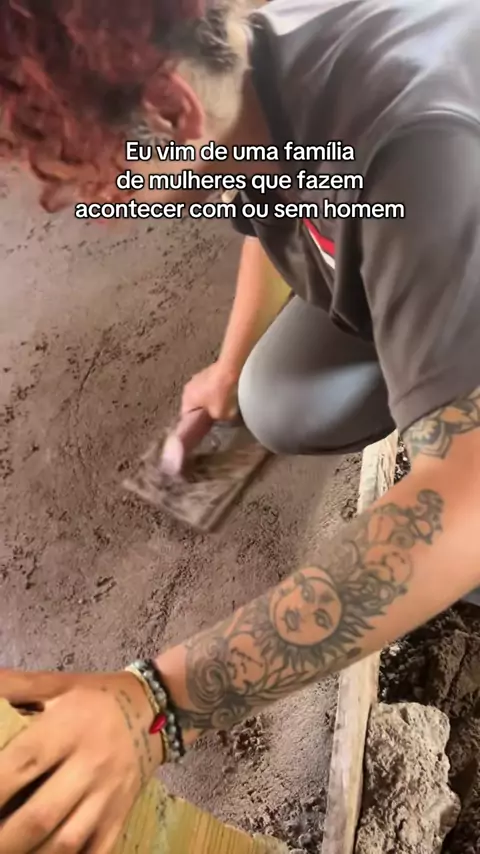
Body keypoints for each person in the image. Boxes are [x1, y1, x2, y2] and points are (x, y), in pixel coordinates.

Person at [1, 0, 480, 850]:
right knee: (275, 397)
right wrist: (225, 371)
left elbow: (469, 501)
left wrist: (156, 706)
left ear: (170, 112)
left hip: (450, 216)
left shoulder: (416, 140)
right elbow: (271, 204)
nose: (92, 194)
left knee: (453, 537)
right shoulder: (245, 73)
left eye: (92, 171)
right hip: (426, 236)